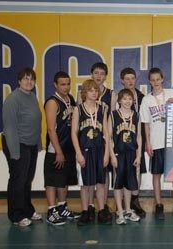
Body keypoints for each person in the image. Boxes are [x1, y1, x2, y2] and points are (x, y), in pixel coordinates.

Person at [139, 67, 173, 219]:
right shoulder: (146, 99)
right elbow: (146, 124)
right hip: (156, 142)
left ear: (162, 79)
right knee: (156, 174)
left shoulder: (172, 93)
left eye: (158, 79)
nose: (156, 82)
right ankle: (158, 204)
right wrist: (148, 143)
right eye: (153, 80)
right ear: (149, 81)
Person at [2, 67, 42, 227]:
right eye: (25, 78)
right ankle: (16, 215)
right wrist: (14, 151)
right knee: (18, 180)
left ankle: (27, 209)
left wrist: (38, 142)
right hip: (17, 144)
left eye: (31, 79)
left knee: (27, 180)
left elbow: (36, 121)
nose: (29, 81)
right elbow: (10, 127)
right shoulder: (13, 99)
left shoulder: (32, 96)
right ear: (19, 81)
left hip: (30, 144)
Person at [77, 62, 117, 222]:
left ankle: (103, 206)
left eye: (102, 73)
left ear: (105, 76)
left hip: (103, 141)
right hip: (86, 142)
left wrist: (110, 144)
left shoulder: (111, 95)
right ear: (92, 74)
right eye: (96, 73)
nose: (99, 76)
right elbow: (78, 124)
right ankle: (88, 207)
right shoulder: (82, 95)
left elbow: (112, 120)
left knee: (103, 176)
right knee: (86, 180)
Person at [71, 79, 110, 225]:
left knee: (100, 183)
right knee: (86, 184)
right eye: (91, 90)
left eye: (95, 90)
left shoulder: (102, 109)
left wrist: (106, 153)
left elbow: (106, 133)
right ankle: (86, 211)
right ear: (85, 92)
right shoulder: (78, 109)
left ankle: (101, 211)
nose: (94, 93)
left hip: (100, 149)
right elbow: (74, 133)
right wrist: (78, 153)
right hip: (85, 150)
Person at [44, 71, 80, 225]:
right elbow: (51, 129)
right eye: (62, 84)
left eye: (68, 84)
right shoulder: (52, 102)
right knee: (52, 180)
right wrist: (58, 151)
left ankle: (62, 207)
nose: (66, 87)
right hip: (56, 149)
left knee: (63, 180)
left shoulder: (70, 99)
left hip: (69, 147)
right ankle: (51, 210)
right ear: (55, 85)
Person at [109, 89, 142, 224]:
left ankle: (128, 209)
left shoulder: (136, 115)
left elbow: (139, 137)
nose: (127, 101)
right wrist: (112, 155)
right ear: (119, 100)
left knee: (129, 183)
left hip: (132, 153)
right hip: (118, 153)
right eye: (124, 99)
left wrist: (139, 155)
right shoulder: (113, 115)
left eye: (130, 99)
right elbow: (109, 137)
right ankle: (120, 212)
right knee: (118, 184)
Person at [120, 67, 146, 217]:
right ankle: (123, 201)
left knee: (137, 172)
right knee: (122, 172)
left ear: (136, 80)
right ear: (122, 81)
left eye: (132, 78)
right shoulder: (118, 98)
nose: (130, 81)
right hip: (122, 143)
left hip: (137, 141)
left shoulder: (143, 97)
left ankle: (135, 200)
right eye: (127, 78)